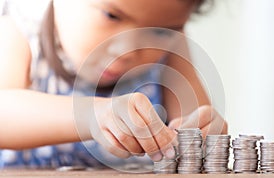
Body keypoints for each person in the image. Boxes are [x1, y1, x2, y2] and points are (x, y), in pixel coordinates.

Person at [0, 0, 227, 169]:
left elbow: (194, 122)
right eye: (112, 16)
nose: (127, 49)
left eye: (159, 31)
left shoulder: (171, 49)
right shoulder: (22, 27)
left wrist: (203, 132)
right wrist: (92, 115)